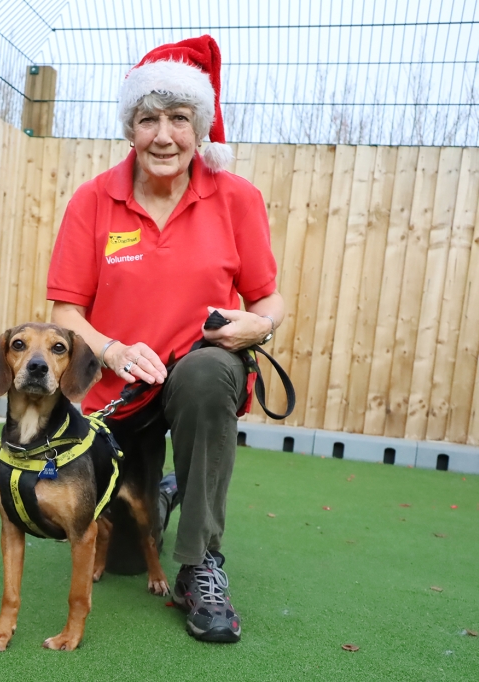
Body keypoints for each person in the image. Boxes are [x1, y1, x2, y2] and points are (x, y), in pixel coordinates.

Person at [46, 35, 284, 643]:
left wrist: (263, 323)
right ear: (130, 127)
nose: (163, 135)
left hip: (196, 374)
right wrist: (113, 351)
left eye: (179, 118)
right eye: (148, 118)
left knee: (207, 376)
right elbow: (64, 310)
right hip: (119, 388)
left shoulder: (236, 198)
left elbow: (267, 298)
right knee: (124, 559)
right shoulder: (94, 200)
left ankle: (201, 562)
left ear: (199, 128)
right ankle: (169, 489)